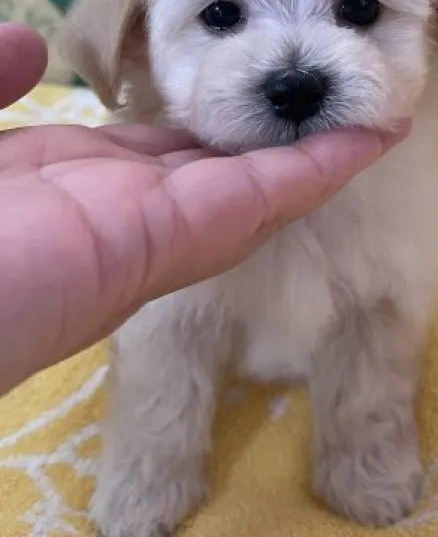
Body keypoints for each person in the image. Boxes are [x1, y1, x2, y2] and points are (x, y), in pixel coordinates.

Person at [0, 23, 409, 394]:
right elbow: (163, 332)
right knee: (167, 338)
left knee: (376, 323)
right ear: (133, 34)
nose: (295, 76)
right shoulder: (132, 198)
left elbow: (383, 313)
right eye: (222, 14)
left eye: (358, 9)